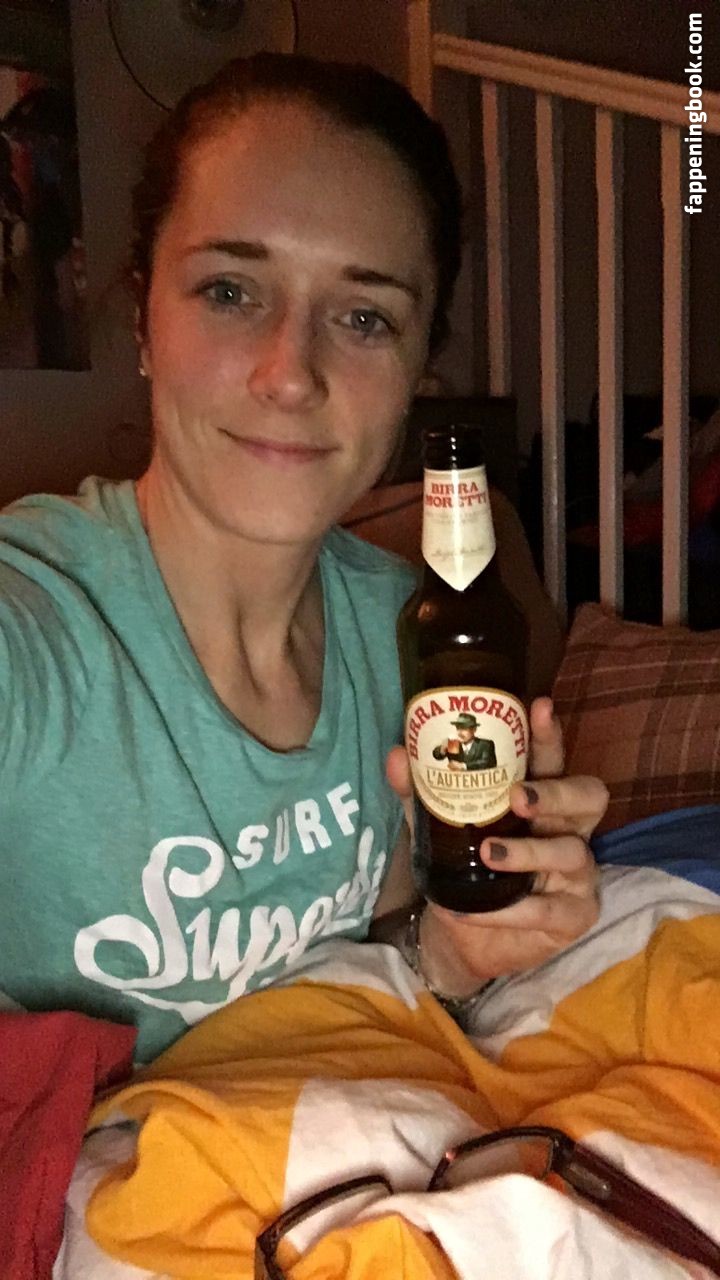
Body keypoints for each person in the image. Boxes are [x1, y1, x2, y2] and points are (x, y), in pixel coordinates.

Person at [0, 53, 607, 1063]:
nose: (291, 374)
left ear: (420, 369)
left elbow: (379, 960)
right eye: (231, 290)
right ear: (145, 321)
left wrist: (452, 953)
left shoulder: (401, 632)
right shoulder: (33, 625)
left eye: (365, 317)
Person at [432, 712, 498, 771]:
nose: (460, 733)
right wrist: (442, 749)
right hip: (456, 780)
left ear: (474, 730)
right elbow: (437, 755)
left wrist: (464, 766)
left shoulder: (485, 744)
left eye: (464, 728)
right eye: (458, 728)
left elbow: (489, 763)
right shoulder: (454, 744)